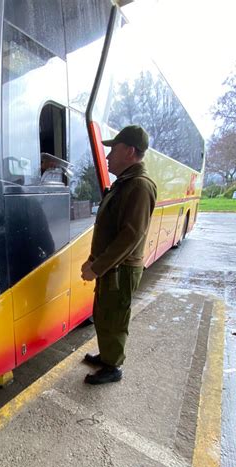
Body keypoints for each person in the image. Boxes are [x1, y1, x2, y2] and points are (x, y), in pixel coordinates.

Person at [80, 125, 157, 385]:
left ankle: (113, 367)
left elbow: (130, 235)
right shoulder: (125, 184)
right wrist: (95, 261)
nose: (108, 156)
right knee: (104, 313)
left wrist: (97, 267)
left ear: (130, 151)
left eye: (114, 150)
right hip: (111, 265)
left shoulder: (139, 186)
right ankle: (107, 355)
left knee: (115, 315)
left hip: (121, 268)